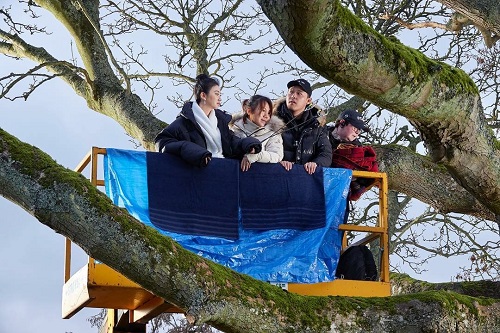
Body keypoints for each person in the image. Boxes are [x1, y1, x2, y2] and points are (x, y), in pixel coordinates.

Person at [155, 74, 261, 167]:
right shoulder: (184, 122)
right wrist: (191, 150)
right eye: (216, 93)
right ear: (203, 95)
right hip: (197, 174)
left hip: (222, 171)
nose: (219, 98)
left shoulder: (221, 122)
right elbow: (161, 142)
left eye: (220, 94)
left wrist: (249, 144)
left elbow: (232, 143)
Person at [273, 78, 332, 175]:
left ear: (308, 101)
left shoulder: (317, 126)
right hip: (277, 175)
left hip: (305, 179)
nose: (293, 96)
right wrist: (277, 162)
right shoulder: (272, 120)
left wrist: (316, 164)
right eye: (291, 92)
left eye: (299, 94)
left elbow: (326, 153)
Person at [328, 109, 378, 200]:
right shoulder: (320, 135)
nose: (357, 134)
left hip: (338, 196)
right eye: (355, 128)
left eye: (359, 131)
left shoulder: (357, 149)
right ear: (342, 123)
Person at [230, 95, 284, 171]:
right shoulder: (234, 129)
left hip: (259, 176)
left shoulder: (273, 134)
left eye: (269, 113)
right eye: (263, 110)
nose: (266, 116)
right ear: (249, 111)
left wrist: (256, 155)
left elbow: (277, 156)